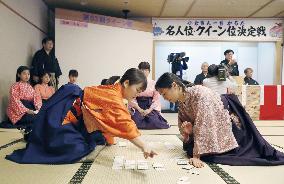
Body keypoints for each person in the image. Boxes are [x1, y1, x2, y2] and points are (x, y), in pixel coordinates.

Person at [6, 68, 157, 164]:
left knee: (97, 140)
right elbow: (125, 124)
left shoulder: (114, 89)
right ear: (126, 83)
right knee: (77, 150)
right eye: (137, 90)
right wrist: (144, 146)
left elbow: (111, 122)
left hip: (72, 109)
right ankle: (38, 136)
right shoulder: (114, 98)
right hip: (65, 114)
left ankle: (36, 133)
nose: (137, 94)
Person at [155, 72, 284, 168]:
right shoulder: (182, 103)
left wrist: (196, 156)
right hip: (209, 126)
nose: (164, 98)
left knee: (245, 150)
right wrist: (188, 133)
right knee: (193, 150)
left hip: (229, 119)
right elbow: (184, 127)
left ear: (174, 86)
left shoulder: (199, 93)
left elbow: (203, 124)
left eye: (164, 93)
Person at [129, 62, 170, 129]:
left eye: (146, 70)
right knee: (135, 121)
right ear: (138, 71)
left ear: (149, 71)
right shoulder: (135, 83)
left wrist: (149, 110)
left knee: (154, 121)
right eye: (141, 70)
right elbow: (132, 98)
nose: (144, 72)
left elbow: (156, 99)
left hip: (149, 106)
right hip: (138, 106)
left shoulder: (154, 83)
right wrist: (139, 109)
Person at [4, 66, 42, 137]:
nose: (27, 76)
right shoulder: (15, 86)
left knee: (41, 118)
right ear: (19, 75)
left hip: (30, 108)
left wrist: (38, 108)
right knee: (35, 120)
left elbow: (36, 98)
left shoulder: (30, 87)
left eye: (28, 74)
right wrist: (26, 110)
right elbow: (15, 101)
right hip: (18, 111)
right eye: (24, 73)